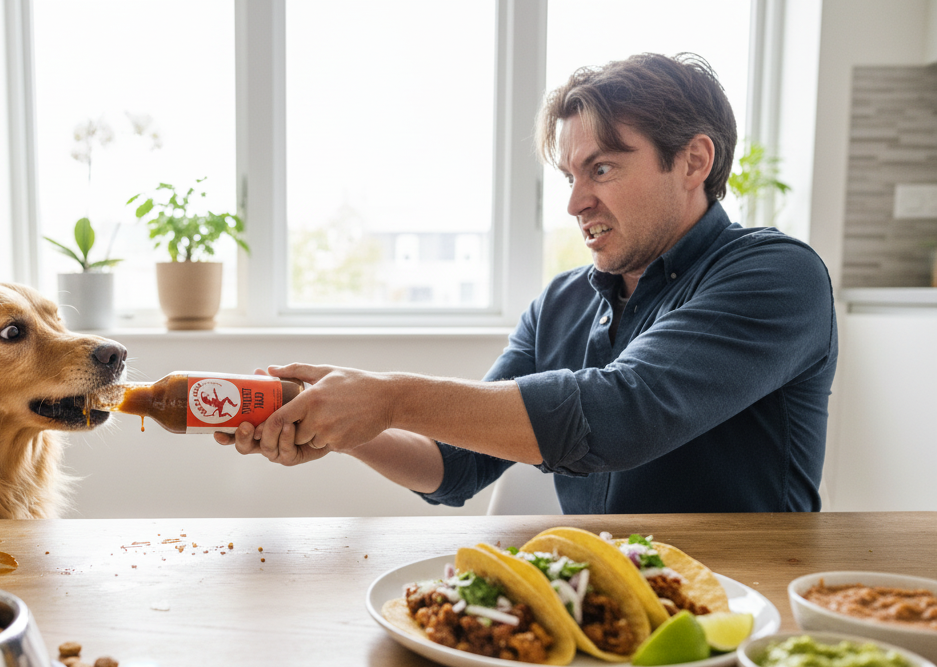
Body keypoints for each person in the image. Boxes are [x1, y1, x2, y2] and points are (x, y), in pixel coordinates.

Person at [217, 52, 837, 514]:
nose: (576, 203)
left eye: (602, 168)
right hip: (608, 617)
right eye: (570, 175)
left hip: (751, 610)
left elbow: (622, 414)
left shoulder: (776, 276)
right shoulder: (562, 304)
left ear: (694, 161)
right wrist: (344, 424)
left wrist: (387, 396)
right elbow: (454, 467)